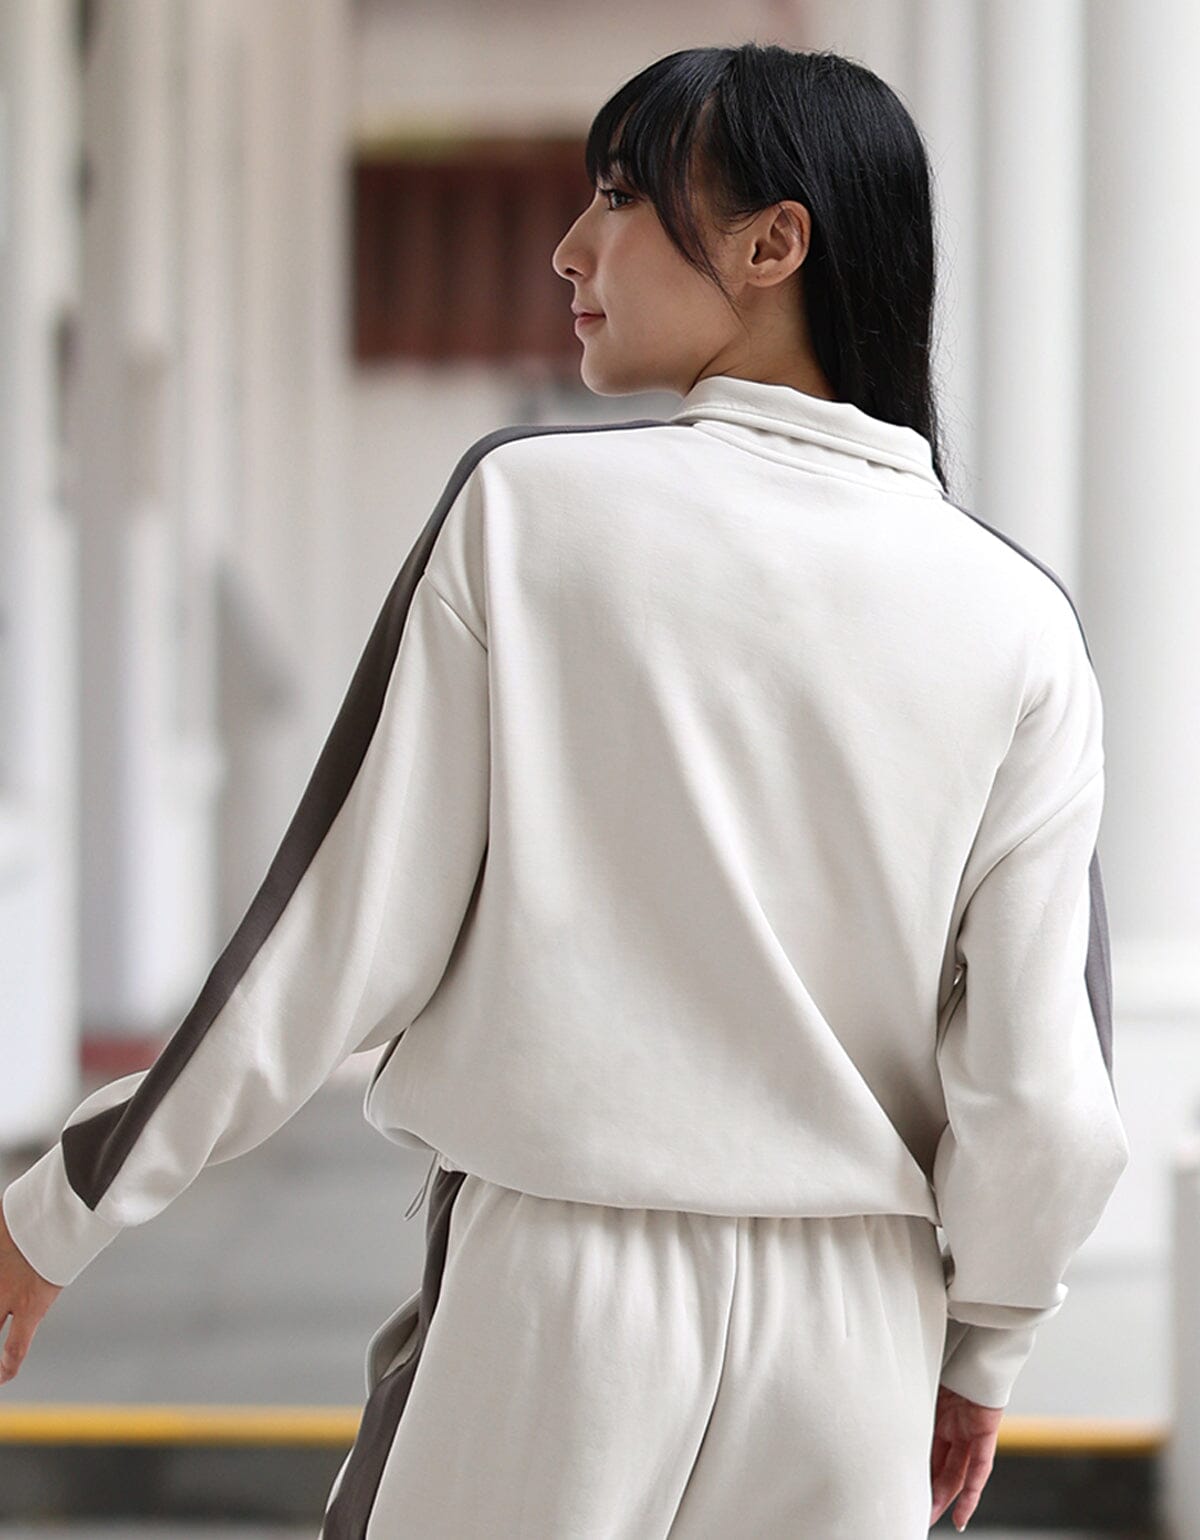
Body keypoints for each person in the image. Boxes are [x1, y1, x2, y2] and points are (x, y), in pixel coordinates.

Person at [0, 40, 1129, 1539]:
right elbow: (1044, 1080)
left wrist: (58, 1212)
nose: (569, 247)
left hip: (558, 1316)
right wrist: (985, 1349)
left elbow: (322, 944)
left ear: (774, 243)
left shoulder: (529, 514)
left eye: (621, 195)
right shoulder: (1017, 619)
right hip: (863, 1344)